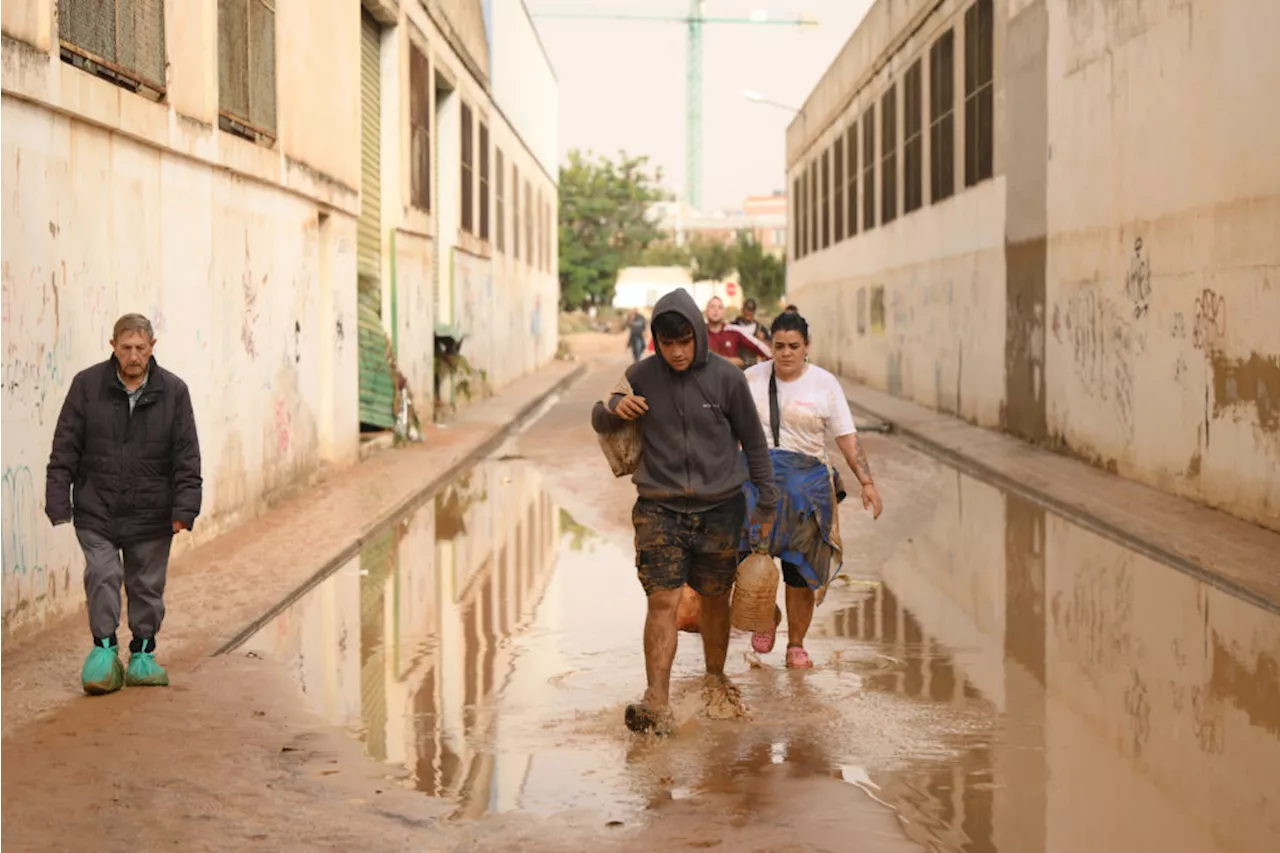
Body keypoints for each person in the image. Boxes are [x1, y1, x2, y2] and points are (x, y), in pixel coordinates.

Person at [591, 289, 779, 735]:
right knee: (663, 600)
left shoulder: (728, 380)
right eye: (667, 343)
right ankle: (656, 698)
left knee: (715, 598)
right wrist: (614, 408)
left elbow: (754, 443)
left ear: (697, 335)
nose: (676, 352)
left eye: (684, 342)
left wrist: (767, 503)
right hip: (660, 507)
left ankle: (715, 677)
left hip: (721, 508)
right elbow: (600, 417)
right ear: (656, 339)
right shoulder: (640, 376)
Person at [45, 313, 203, 695]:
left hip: (152, 511)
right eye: (126, 347)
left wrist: (186, 509)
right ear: (112, 346)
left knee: (146, 586)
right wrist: (58, 500)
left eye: (141, 348)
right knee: (102, 576)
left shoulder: (174, 392)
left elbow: (187, 455)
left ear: (152, 348)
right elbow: (65, 445)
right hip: (96, 507)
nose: (133, 356)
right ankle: (103, 653)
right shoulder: (87, 386)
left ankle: (143, 655)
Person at [739, 311, 883, 669]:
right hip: (756, 487)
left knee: (798, 570)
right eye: (778, 346)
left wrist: (867, 482)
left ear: (807, 347)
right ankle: (765, 616)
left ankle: (796, 645)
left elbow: (846, 438)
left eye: (794, 346)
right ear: (769, 345)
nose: (785, 353)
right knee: (749, 559)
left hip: (807, 492)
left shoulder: (824, 384)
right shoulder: (749, 379)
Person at [704, 296, 771, 369]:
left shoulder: (735, 331)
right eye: (712, 307)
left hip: (731, 377)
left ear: (723, 312)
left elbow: (764, 349)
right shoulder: (698, 332)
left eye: (720, 307)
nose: (715, 310)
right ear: (706, 311)